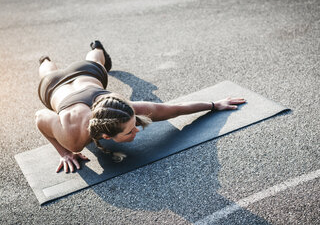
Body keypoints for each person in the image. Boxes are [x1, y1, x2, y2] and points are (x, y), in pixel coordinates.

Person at [35, 40, 246, 173]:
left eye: (133, 124)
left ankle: (97, 47)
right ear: (107, 136)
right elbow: (40, 117)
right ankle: (44, 59)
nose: (137, 129)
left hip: (87, 73)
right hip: (54, 86)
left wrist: (213, 104)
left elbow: (176, 109)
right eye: (130, 130)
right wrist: (64, 153)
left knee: (97, 61)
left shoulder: (127, 108)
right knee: (47, 71)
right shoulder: (73, 137)